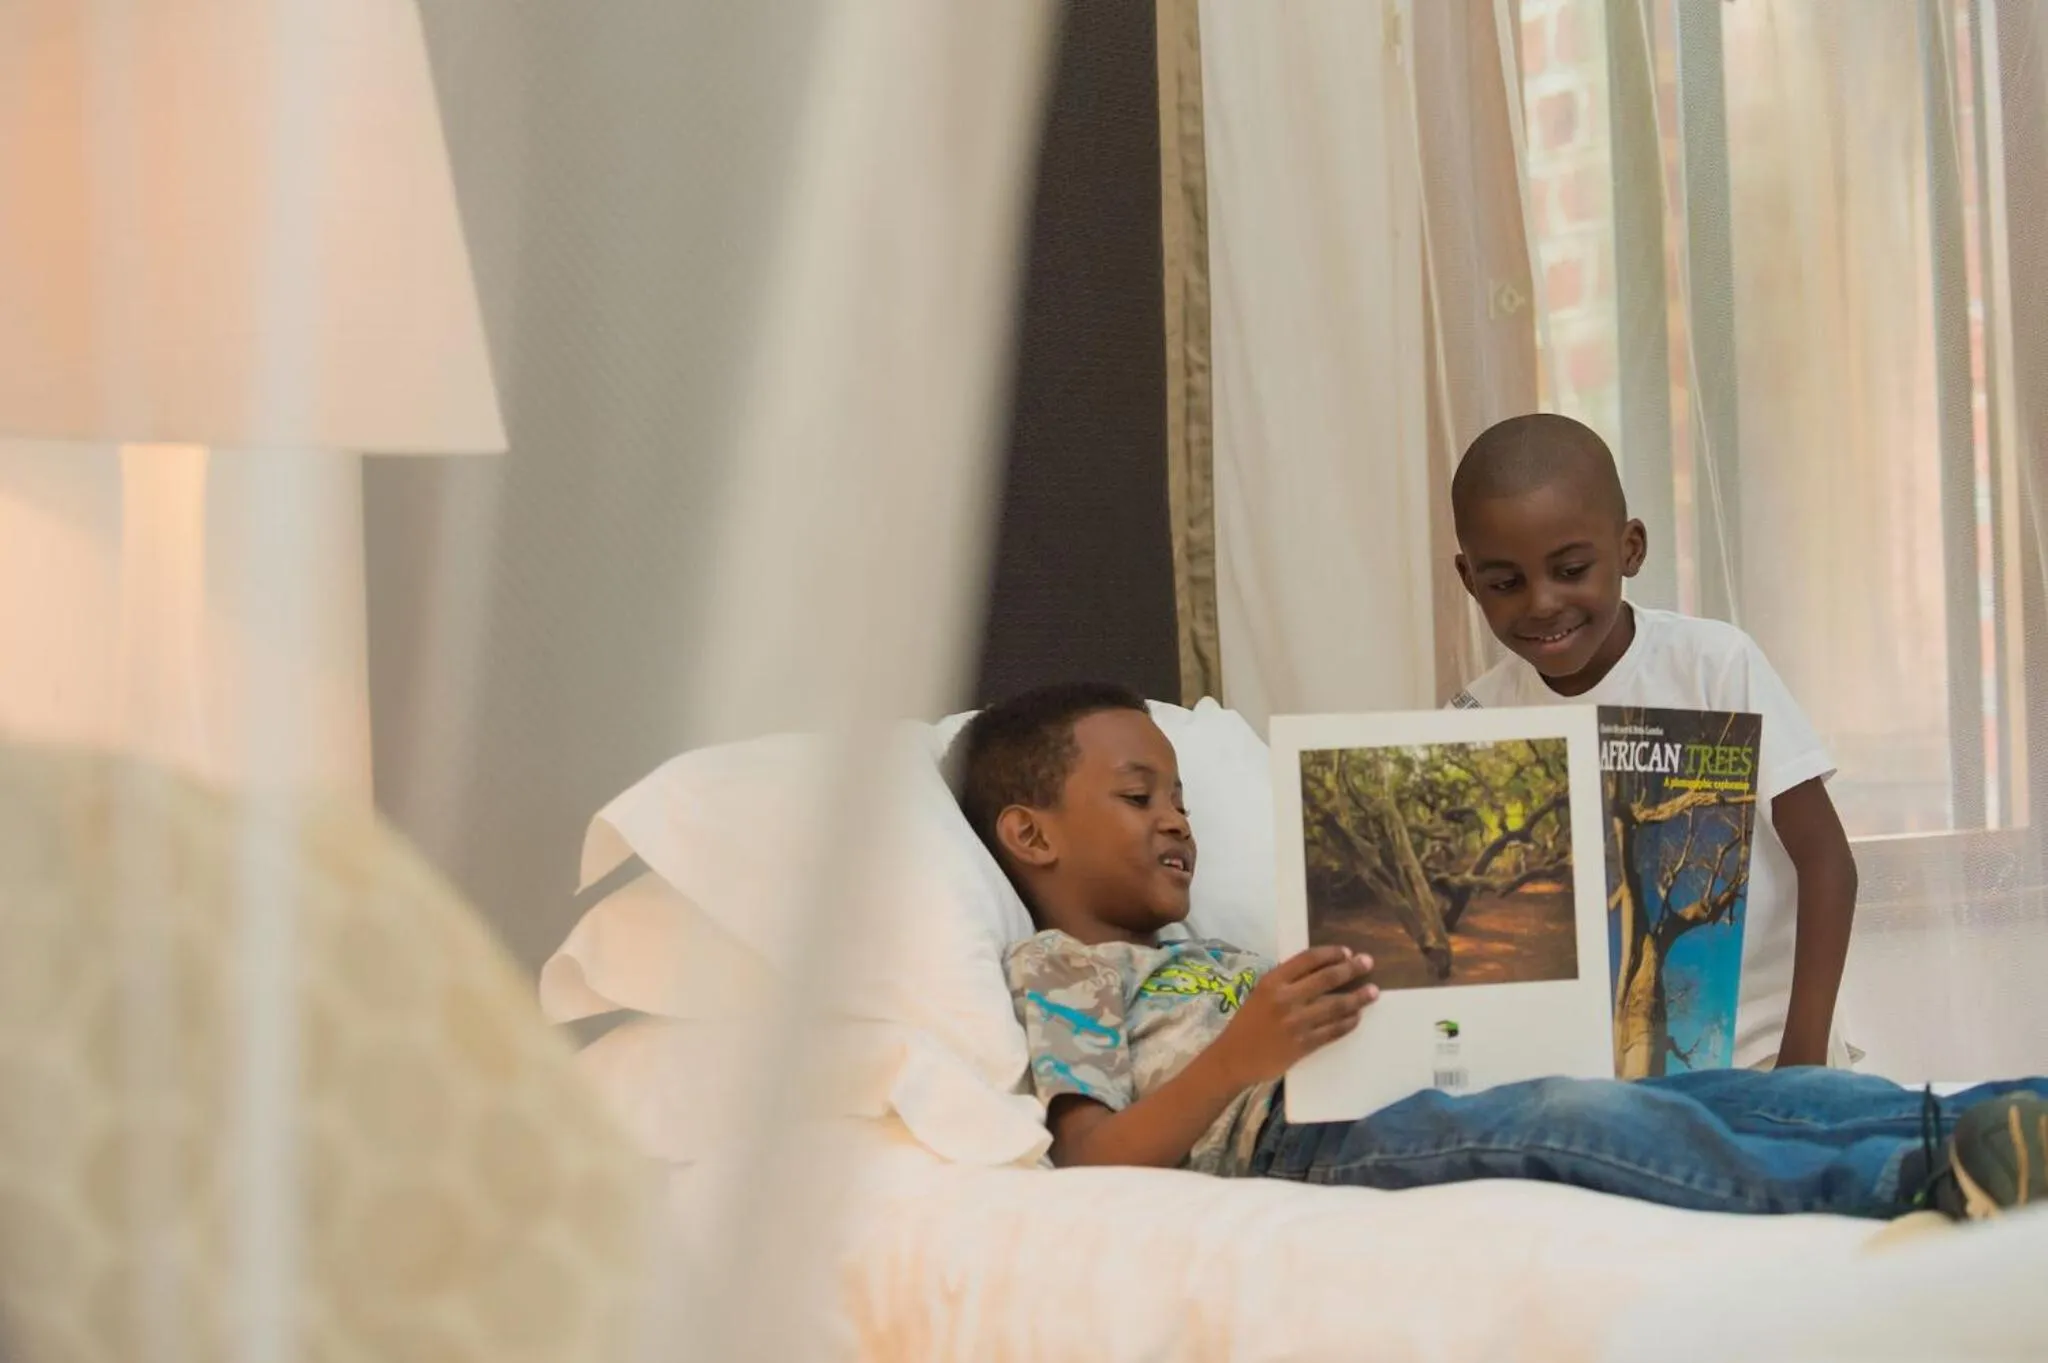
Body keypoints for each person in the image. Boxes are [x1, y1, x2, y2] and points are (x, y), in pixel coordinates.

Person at [947, 682, 2048, 1219]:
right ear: (1029, 833)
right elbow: (1089, 1159)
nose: (1178, 819)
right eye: (1140, 796)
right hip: (1297, 1145)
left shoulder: (1213, 945)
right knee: (1581, 1120)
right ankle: (1907, 1177)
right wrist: (1241, 1053)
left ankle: (1994, 1116)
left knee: (1718, 1089)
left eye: (1182, 796)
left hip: (1377, 1093)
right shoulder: (1059, 970)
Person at [1447, 413, 1853, 1071]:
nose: (1543, 602)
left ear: (1630, 548)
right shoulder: (1472, 719)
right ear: (1470, 579)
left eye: (1571, 568)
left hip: (1760, 1056)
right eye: (1505, 582)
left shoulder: (1715, 667)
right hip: (1585, 1080)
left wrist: (1800, 1064)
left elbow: (1828, 862)